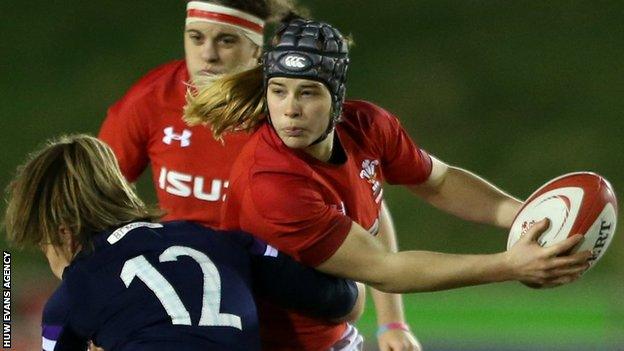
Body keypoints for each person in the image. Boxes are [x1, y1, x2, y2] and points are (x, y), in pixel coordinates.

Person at [184, 18, 593, 351]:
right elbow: (385, 269)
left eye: (308, 93)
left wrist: (526, 217)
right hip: (267, 345)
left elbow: (439, 181)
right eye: (278, 91)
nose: (290, 109)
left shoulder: (369, 128)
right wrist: (507, 266)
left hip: (335, 338)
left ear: (337, 98)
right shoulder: (271, 183)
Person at [99, 1, 421, 349]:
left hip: (296, 318)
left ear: (257, 50)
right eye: (195, 38)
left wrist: (392, 322)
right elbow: (95, 200)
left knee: (343, 299)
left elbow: (368, 209)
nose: (208, 55)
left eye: (226, 41)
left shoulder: (289, 114)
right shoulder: (150, 101)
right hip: (198, 311)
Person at [3, 134, 363, 351]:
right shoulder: (226, 243)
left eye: (43, 242)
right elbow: (340, 301)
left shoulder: (71, 296)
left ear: (64, 232)